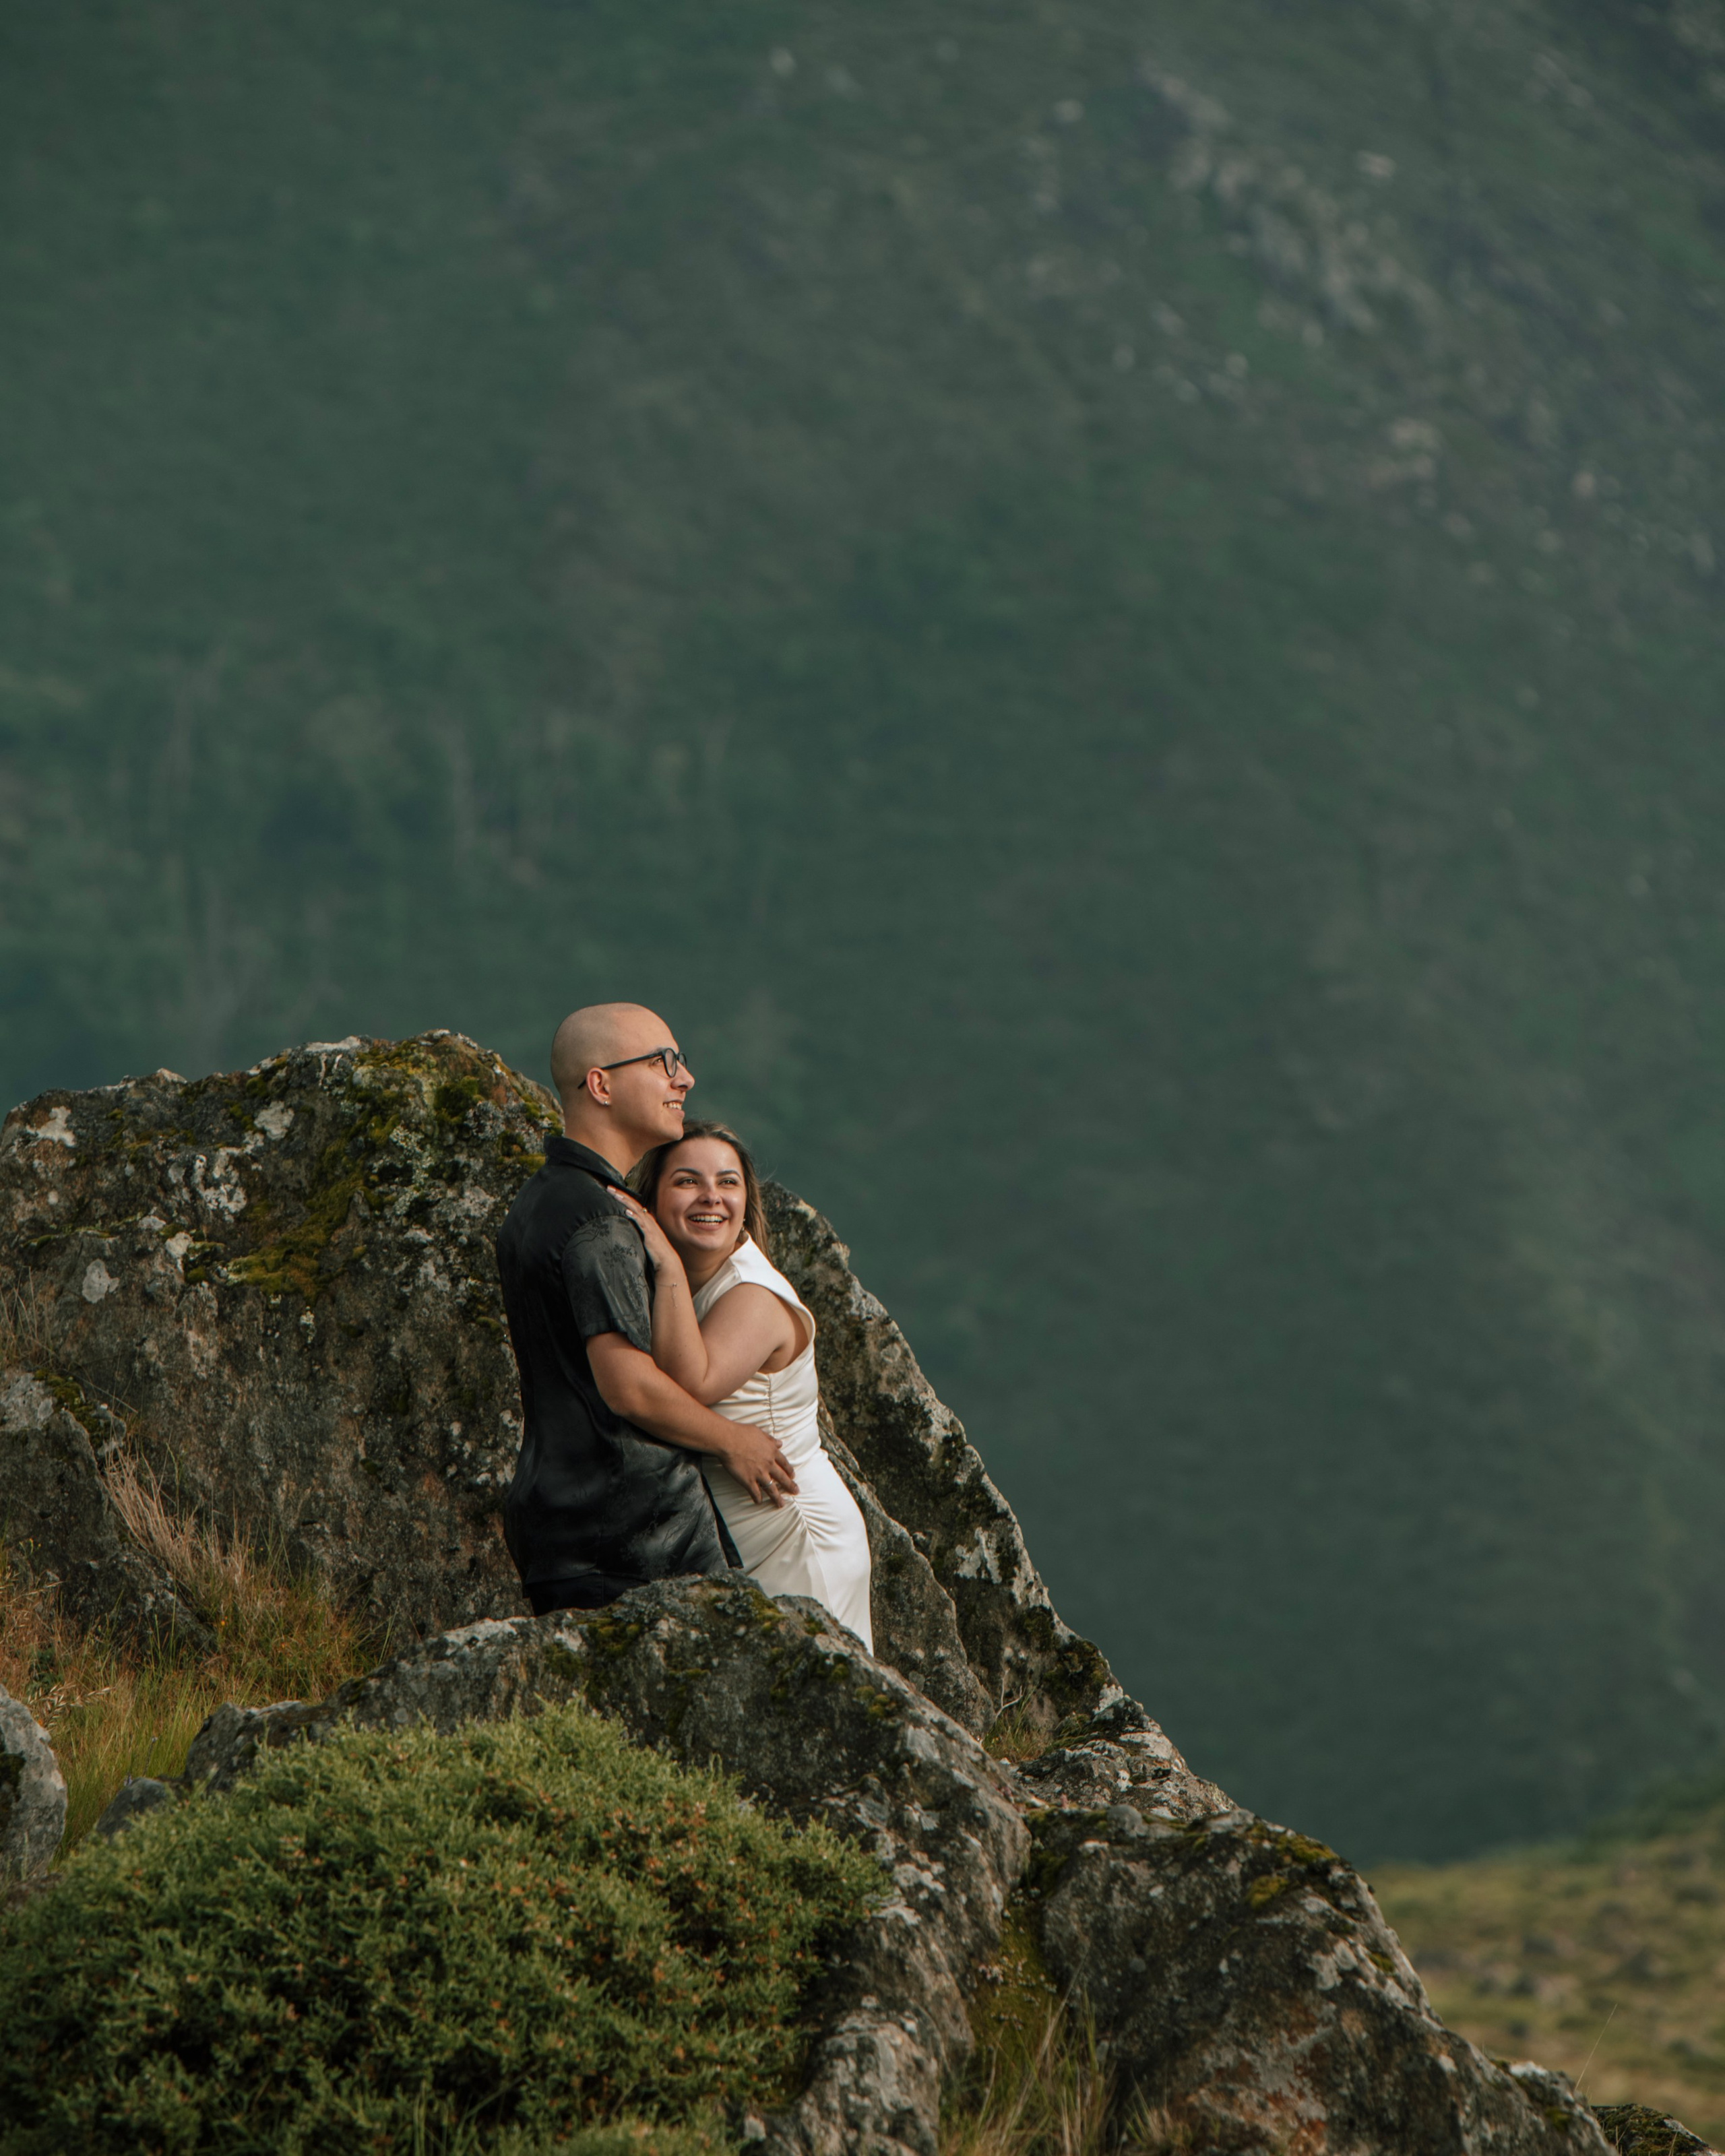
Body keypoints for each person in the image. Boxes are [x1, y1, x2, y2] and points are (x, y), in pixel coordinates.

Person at [495, 1003, 796, 1615]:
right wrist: (733, 1440)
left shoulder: (541, 1201)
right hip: (632, 1539)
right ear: (601, 1085)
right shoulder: (600, 1222)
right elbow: (628, 1386)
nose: (684, 1079)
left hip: (569, 1523)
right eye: (664, 1063)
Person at [614, 1120, 874, 1651]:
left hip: (794, 1531)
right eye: (688, 1181)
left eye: (728, 1182)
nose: (712, 1196)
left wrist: (663, 1262)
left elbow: (693, 1382)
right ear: (654, 1196)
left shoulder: (752, 1292)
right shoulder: (697, 1283)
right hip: (746, 1535)